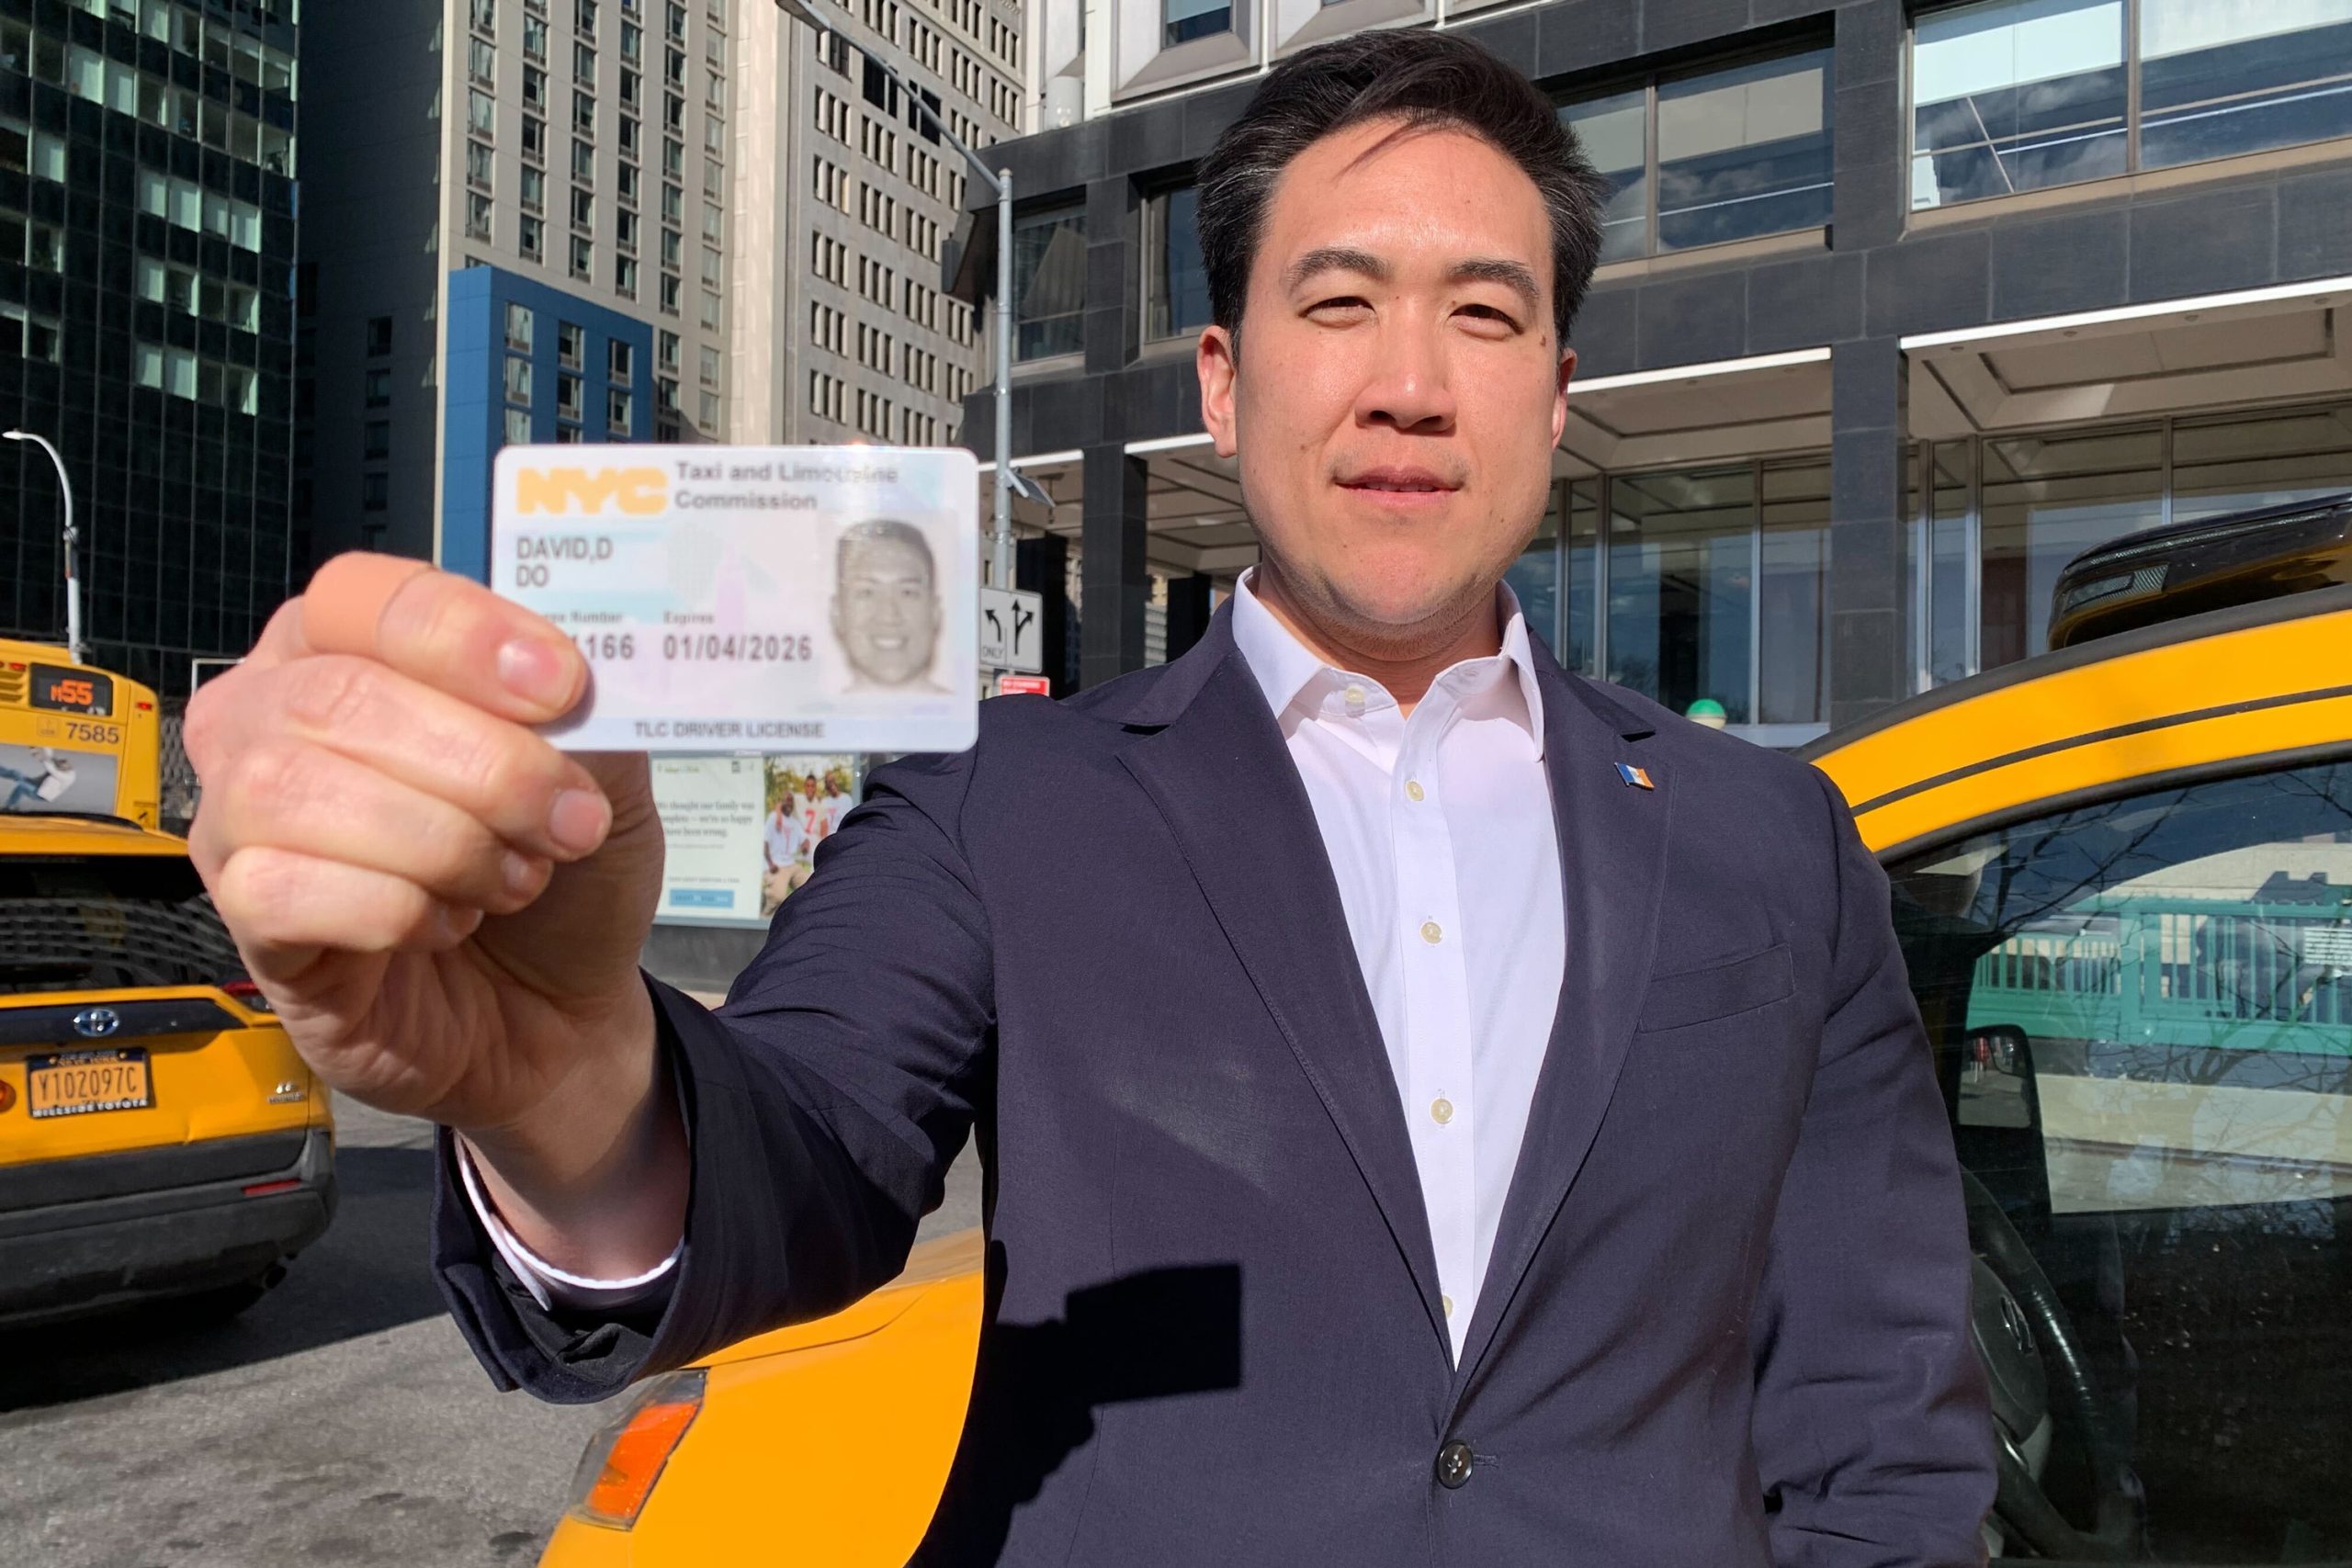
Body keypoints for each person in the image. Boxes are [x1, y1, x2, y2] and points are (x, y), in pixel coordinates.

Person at [183, 29, 1993, 1566]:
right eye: (1338, 302)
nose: (1409, 384)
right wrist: (566, 1074)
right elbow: (806, 1154)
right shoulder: (1007, 799)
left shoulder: (1768, 839)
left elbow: (1881, 1410)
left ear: (1556, 390)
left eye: (1484, 314)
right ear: (1223, 383)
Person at [831, 518, 947, 693]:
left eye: (907, 593)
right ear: (837, 613)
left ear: (935, 612)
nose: (889, 616)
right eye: (867, 592)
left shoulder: (977, 711)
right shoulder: (804, 708)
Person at [1, 746, 75, 811]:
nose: (56, 765)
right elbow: (49, 756)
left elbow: (50, 768)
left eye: (58, 766)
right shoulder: (60, 766)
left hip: (40, 794)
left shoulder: (66, 777)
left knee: (21, 787)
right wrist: (42, 742)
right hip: (36, 784)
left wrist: (34, 752)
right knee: (16, 773)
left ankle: (10, 806)